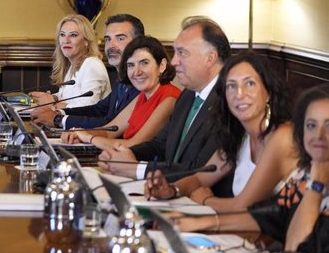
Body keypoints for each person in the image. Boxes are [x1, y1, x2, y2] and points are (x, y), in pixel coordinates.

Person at [177, 84, 329, 253]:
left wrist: (317, 186)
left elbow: (296, 252)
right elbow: (267, 217)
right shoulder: (303, 178)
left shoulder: (314, 180)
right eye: (311, 125)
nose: (319, 135)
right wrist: (199, 223)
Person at [145, 52, 298, 211]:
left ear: (269, 93)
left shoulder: (282, 136)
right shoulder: (238, 135)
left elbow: (245, 206)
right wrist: (170, 190)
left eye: (250, 84)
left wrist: (206, 200)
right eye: (231, 86)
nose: (239, 94)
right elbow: (200, 179)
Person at [98, 16, 231, 185]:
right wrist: (123, 154)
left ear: (210, 58)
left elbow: (202, 169)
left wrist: (136, 169)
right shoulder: (188, 95)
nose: (174, 61)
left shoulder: (230, 101)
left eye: (182, 53)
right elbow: (160, 145)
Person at [63, 36, 181, 150]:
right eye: (131, 65)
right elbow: (109, 132)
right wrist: (76, 132)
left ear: (162, 65)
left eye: (144, 63)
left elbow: (135, 144)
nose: (137, 72)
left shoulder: (170, 98)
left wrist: (89, 138)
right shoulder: (143, 95)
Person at [31, 13, 143, 130]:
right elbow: (98, 109)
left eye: (120, 38)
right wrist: (57, 111)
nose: (111, 45)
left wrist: (56, 117)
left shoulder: (140, 83)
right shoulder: (121, 81)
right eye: (108, 39)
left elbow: (110, 123)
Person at [30, 14, 110, 110]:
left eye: (73, 35)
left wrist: (51, 105)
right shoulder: (73, 65)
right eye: (62, 35)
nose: (66, 40)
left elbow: (89, 106)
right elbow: (67, 96)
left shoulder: (92, 65)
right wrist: (51, 98)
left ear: (86, 41)